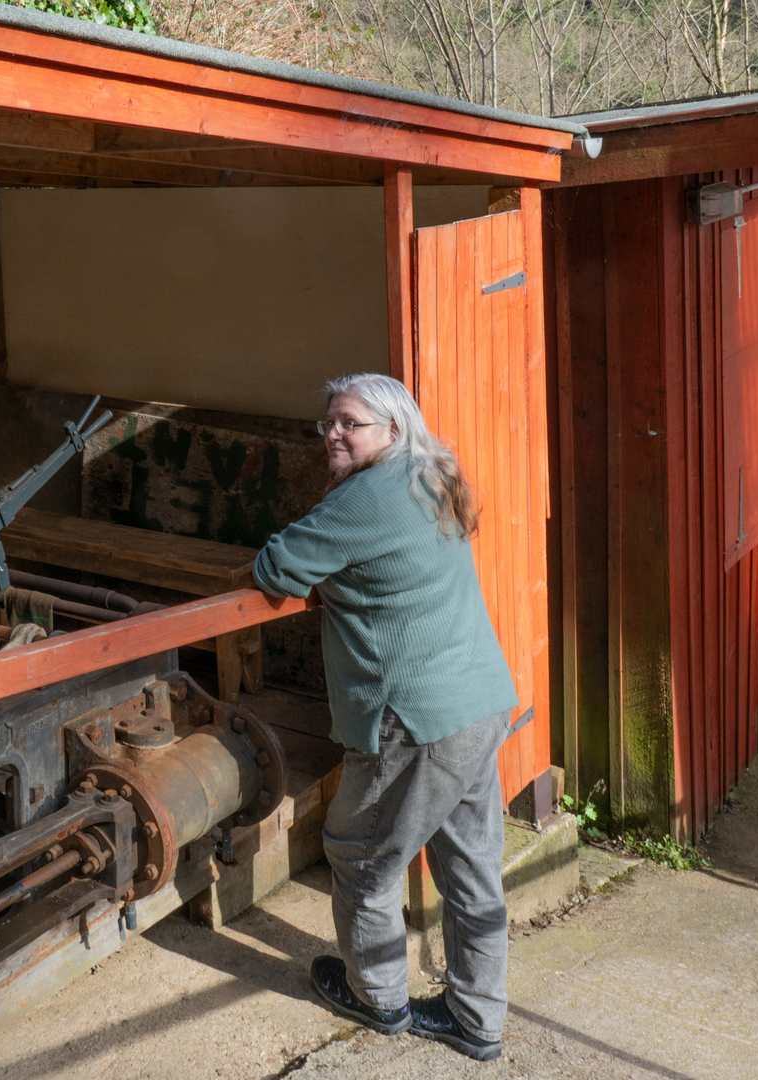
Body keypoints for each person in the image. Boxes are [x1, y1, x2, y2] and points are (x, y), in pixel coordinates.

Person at [252, 372, 517, 1063]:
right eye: (328, 423)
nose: (333, 434)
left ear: (391, 431)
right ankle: (476, 1019)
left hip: (419, 720)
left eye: (350, 423)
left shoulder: (371, 494)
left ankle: (378, 998)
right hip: (477, 700)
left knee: (362, 856)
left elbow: (276, 567)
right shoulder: (431, 473)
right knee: (469, 867)